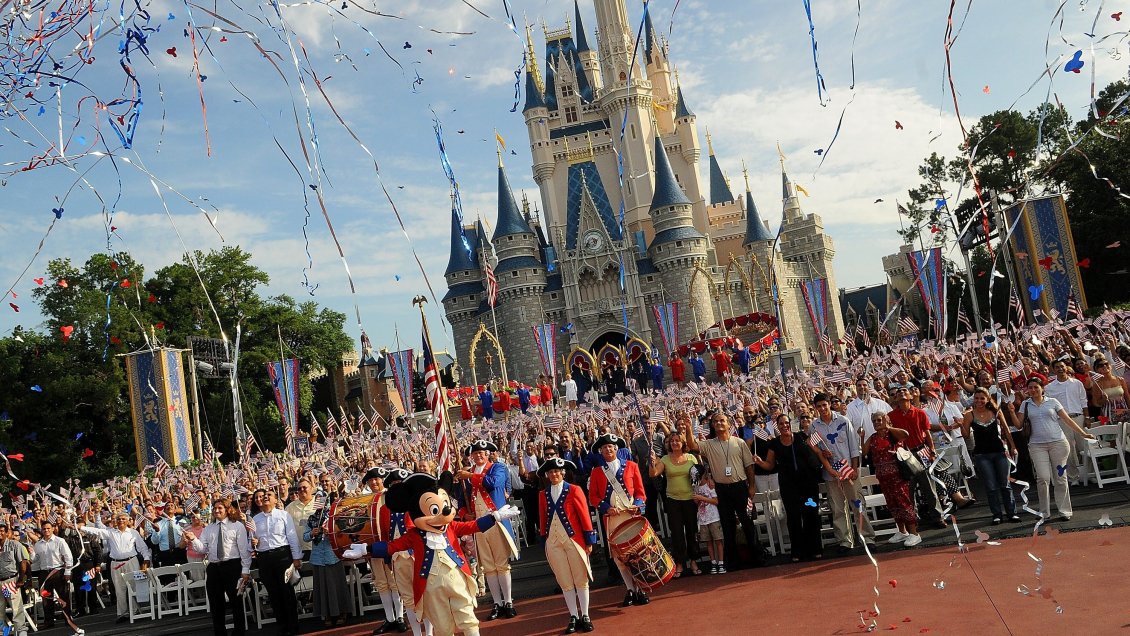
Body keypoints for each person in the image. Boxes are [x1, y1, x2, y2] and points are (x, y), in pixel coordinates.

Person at [455, 440, 518, 620]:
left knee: (502, 564)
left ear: (488, 454)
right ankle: (497, 602)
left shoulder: (497, 468)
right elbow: (460, 501)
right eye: (475, 453)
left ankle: (508, 601)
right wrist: (464, 513)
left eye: (482, 452)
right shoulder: (466, 476)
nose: (479, 455)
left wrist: (469, 476)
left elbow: (493, 483)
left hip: (496, 523)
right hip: (479, 526)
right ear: (471, 456)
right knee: (488, 566)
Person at [1019, 376, 1095, 521]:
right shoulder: (1025, 404)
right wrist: (1009, 411)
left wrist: (1084, 434)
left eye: (1036, 387)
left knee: (1060, 477)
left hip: (1058, 444)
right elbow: (1018, 424)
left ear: (1042, 388)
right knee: (1043, 477)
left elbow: (1067, 420)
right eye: (1030, 388)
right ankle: (1044, 512)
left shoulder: (1053, 402)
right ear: (1027, 390)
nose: (1033, 390)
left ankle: (1064, 510)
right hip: (1037, 446)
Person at [695, 412, 764, 570]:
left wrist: (751, 486)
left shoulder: (739, 442)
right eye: (715, 421)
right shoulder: (709, 444)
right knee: (727, 526)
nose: (719, 423)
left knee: (747, 523)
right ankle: (733, 561)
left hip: (739, 487)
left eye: (722, 421)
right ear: (712, 425)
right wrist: (687, 427)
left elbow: (749, 466)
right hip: (722, 489)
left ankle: (757, 557)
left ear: (728, 424)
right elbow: (692, 446)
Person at [586, 433, 649, 606]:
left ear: (617, 449)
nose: (608, 449)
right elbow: (593, 497)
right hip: (612, 519)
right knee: (619, 556)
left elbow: (640, 492)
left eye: (611, 447)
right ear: (601, 451)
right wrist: (607, 508)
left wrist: (636, 504)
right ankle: (630, 589)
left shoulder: (632, 466)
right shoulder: (597, 472)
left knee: (637, 553)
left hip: (631, 516)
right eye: (605, 447)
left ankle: (641, 589)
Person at [537, 457, 596, 634]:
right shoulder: (543, 494)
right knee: (564, 580)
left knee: (580, 578)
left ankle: (585, 615)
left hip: (574, 540)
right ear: (547, 475)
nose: (554, 474)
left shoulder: (574, 490)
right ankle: (573, 615)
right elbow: (542, 518)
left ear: (563, 472)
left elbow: (584, 515)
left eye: (557, 471)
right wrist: (544, 540)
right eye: (551, 472)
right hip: (553, 541)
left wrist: (589, 539)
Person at [811, 393, 875, 552]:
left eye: (824, 405)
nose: (823, 408)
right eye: (819, 406)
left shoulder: (843, 421)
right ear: (815, 408)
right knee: (838, 508)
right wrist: (822, 454)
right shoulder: (814, 426)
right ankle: (845, 542)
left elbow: (854, 446)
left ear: (829, 404)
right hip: (831, 474)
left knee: (857, 504)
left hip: (848, 471)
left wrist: (854, 468)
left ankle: (867, 538)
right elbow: (815, 448)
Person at [184, 499, 252, 636]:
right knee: (216, 604)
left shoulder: (237, 526)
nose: (216, 510)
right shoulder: (209, 528)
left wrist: (245, 570)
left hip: (232, 566)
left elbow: (244, 550)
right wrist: (193, 539)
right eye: (214, 508)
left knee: (236, 602)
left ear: (227, 509)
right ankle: (220, 633)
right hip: (214, 568)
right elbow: (202, 549)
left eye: (220, 508)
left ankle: (239, 632)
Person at [765, 413, 824, 561]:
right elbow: (770, 465)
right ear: (777, 426)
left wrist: (824, 453)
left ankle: (815, 548)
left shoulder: (801, 437)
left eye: (786, 423)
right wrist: (759, 462)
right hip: (789, 487)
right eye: (781, 424)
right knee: (793, 517)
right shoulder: (774, 444)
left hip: (808, 485)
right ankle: (797, 551)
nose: (784, 426)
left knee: (811, 514)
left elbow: (816, 451)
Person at [79, 510, 152, 624]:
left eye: (123, 519)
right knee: (119, 589)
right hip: (115, 563)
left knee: (133, 587)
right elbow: (97, 531)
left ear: (128, 521)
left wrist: (146, 559)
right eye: (118, 519)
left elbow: (142, 548)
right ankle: (122, 613)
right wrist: (82, 528)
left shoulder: (133, 533)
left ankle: (134, 611)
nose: (121, 521)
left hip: (131, 561)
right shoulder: (110, 532)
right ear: (115, 522)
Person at [960, 388, 1021, 524]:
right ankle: (997, 514)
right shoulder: (969, 415)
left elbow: (1006, 429)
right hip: (982, 455)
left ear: (987, 399)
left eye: (982, 398)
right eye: (976, 398)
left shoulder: (996, 411)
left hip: (999, 452)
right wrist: (960, 425)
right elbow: (965, 435)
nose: (979, 401)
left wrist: (1013, 446)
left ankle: (1012, 513)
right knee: (991, 486)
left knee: (1005, 484)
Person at [887, 386, 944, 526]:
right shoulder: (891, 416)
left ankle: (937, 517)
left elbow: (927, 434)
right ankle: (912, 519)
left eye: (904, 391)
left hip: (921, 452)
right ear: (895, 398)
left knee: (929, 487)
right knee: (908, 490)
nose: (901, 393)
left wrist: (931, 450)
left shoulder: (920, 413)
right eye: (899, 392)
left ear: (911, 396)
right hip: (903, 456)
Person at [863, 412, 921, 546]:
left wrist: (887, 426)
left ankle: (914, 533)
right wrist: (861, 438)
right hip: (883, 477)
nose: (877, 423)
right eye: (874, 421)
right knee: (892, 504)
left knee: (904, 502)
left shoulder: (892, 434)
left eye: (879, 420)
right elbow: (865, 452)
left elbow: (905, 434)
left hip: (898, 476)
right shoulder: (873, 437)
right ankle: (902, 531)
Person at [252, 489, 303, 636]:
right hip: (264, 558)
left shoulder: (284, 515)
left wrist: (296, 557)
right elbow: (252, 541)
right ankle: (282, 626)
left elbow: (292, 537)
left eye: (270, 495)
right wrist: (253, 542)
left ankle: (293, 626)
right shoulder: (255, 520)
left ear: (276, 500)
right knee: (273, 594)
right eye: (264, 496)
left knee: (286, 592)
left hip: (282, 556)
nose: (266, 497)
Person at [649, 434, 700, 576]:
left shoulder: (691, 457)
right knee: (677, 532)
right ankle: (679, 563)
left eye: (677, 440)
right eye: (672, 441)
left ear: (683, 442)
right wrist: (652, 461)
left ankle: (694, 561)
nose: (674, 443)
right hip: (672, 500)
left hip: (690, 499)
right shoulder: (665, 459)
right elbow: (653, 473)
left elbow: (698, 477)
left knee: (692, 531)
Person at [303, 478, 350, 628]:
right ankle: (327, 614)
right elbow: (304, 536)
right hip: (317, 558)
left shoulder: (333, 516)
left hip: (333, 555)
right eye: (317, 500)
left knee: (337, 585)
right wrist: (312, 533)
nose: (319, 503)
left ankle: (342, 612)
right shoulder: (310, 519)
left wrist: (330, 532)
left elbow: (343, 534)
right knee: (322, 587)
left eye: (321, 500)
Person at [1044, 359, 1089, 484]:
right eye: (1057, 367)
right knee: (1068, 450)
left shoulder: (1077, 383)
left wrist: (1087, 417)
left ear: (1066, 367)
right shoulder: (1049, 387)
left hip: (1079, 418)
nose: (1060, 369)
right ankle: (1073, 477)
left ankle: (1089, 474)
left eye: (1062, 366)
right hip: (1063, 421)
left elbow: (1083, 401)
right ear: (1053, 369)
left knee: (1085, 447)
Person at [31, 520, 74, 630]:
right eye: (44, 529)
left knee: (63, 596)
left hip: (58, 571)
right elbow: (36, 559)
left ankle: (67, 618)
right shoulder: (38, 544)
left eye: (48, 528)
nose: (46, 530)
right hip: (44, 573)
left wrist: (68, 572)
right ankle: (49, 621)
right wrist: (31, 553)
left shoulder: (60, 541)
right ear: (41, 530)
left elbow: (68, 557)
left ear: (53, 529)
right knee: (46, 598)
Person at [691, 465, 724, 574]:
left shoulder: (710, 486)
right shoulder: (695, 488)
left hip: (713, 517)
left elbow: (716, 501)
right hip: (703, 519)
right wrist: (696, 499)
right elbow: (696, 503)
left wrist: (701, 498)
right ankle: (713, 562)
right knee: (708, 542)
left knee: (718, 540)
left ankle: (721, 562)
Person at [0, 522, 30, 636]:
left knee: (16, 607)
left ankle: (21, 630)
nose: (0, 533)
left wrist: (21, 579)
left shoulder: (15, 544)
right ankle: (2, 631)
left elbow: (23, 562)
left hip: (10, 581)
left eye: (2, 531)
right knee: (0, 608)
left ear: (7, 533)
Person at [285, 478, 320, 559]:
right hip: (299, 550)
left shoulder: (320, 502)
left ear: (311, 488)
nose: (302, 490)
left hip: (318, 548)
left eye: (304, 487)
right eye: (299, 488)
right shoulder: (290, 507)